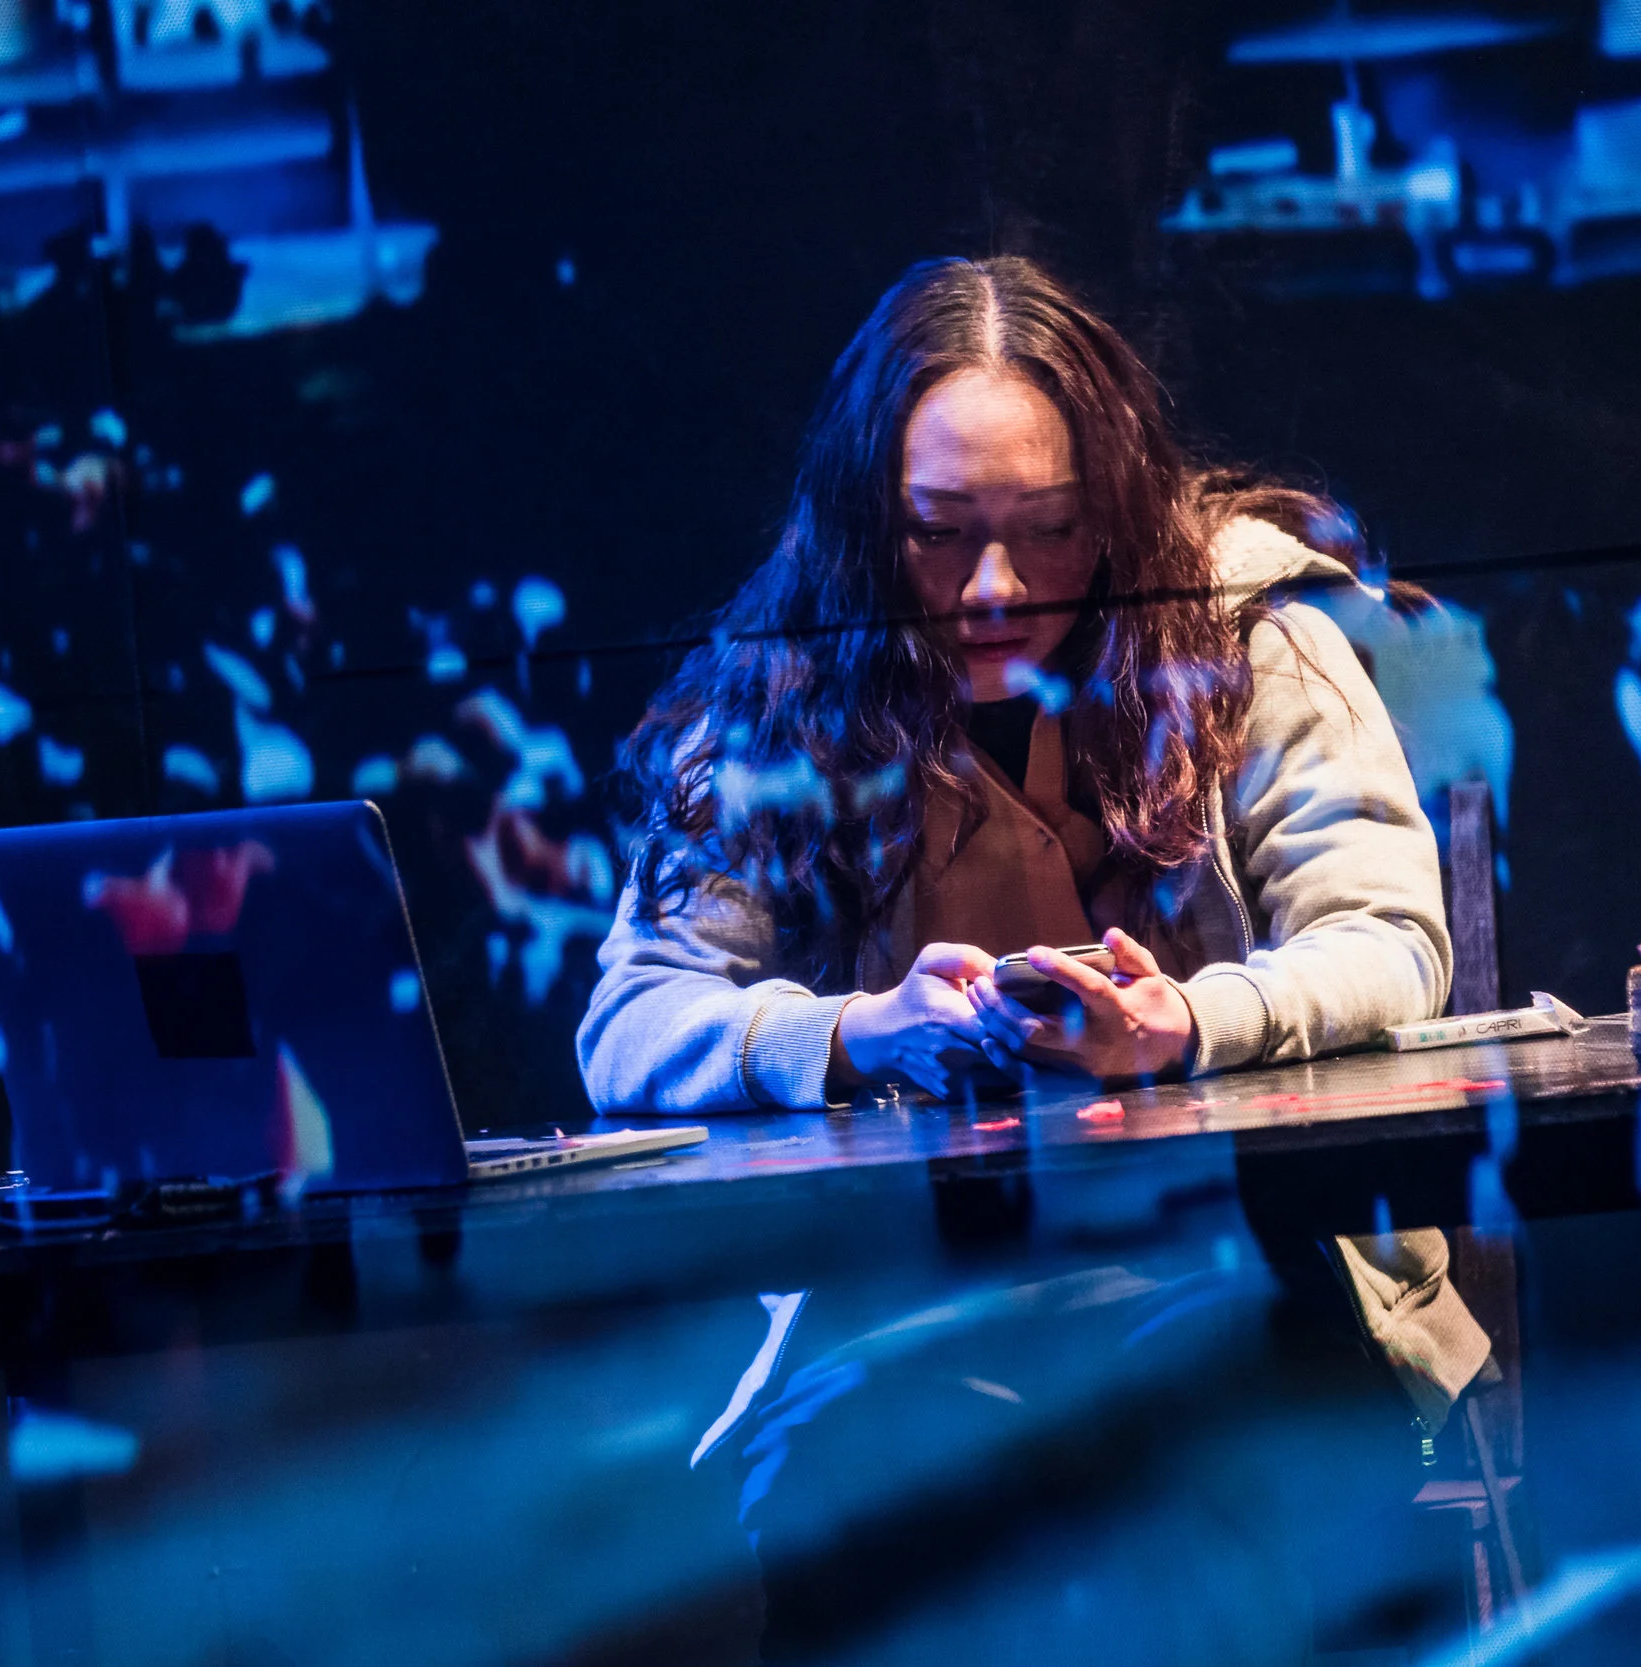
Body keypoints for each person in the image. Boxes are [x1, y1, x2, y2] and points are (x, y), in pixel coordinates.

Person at [577, 258, 1492, 1655]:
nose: (994, 588)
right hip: (908, 1310)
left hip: (1240, 1256)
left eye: (1050, 531)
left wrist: (1189, 1021)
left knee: (1203, 1483)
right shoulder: (786, 688)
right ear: (870, 525)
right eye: (940, 536)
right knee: (863, 1505)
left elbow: (1387, 939)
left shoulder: (1246, 635)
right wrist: (854, 1031)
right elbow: (634, 1015)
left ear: (1112, 508)